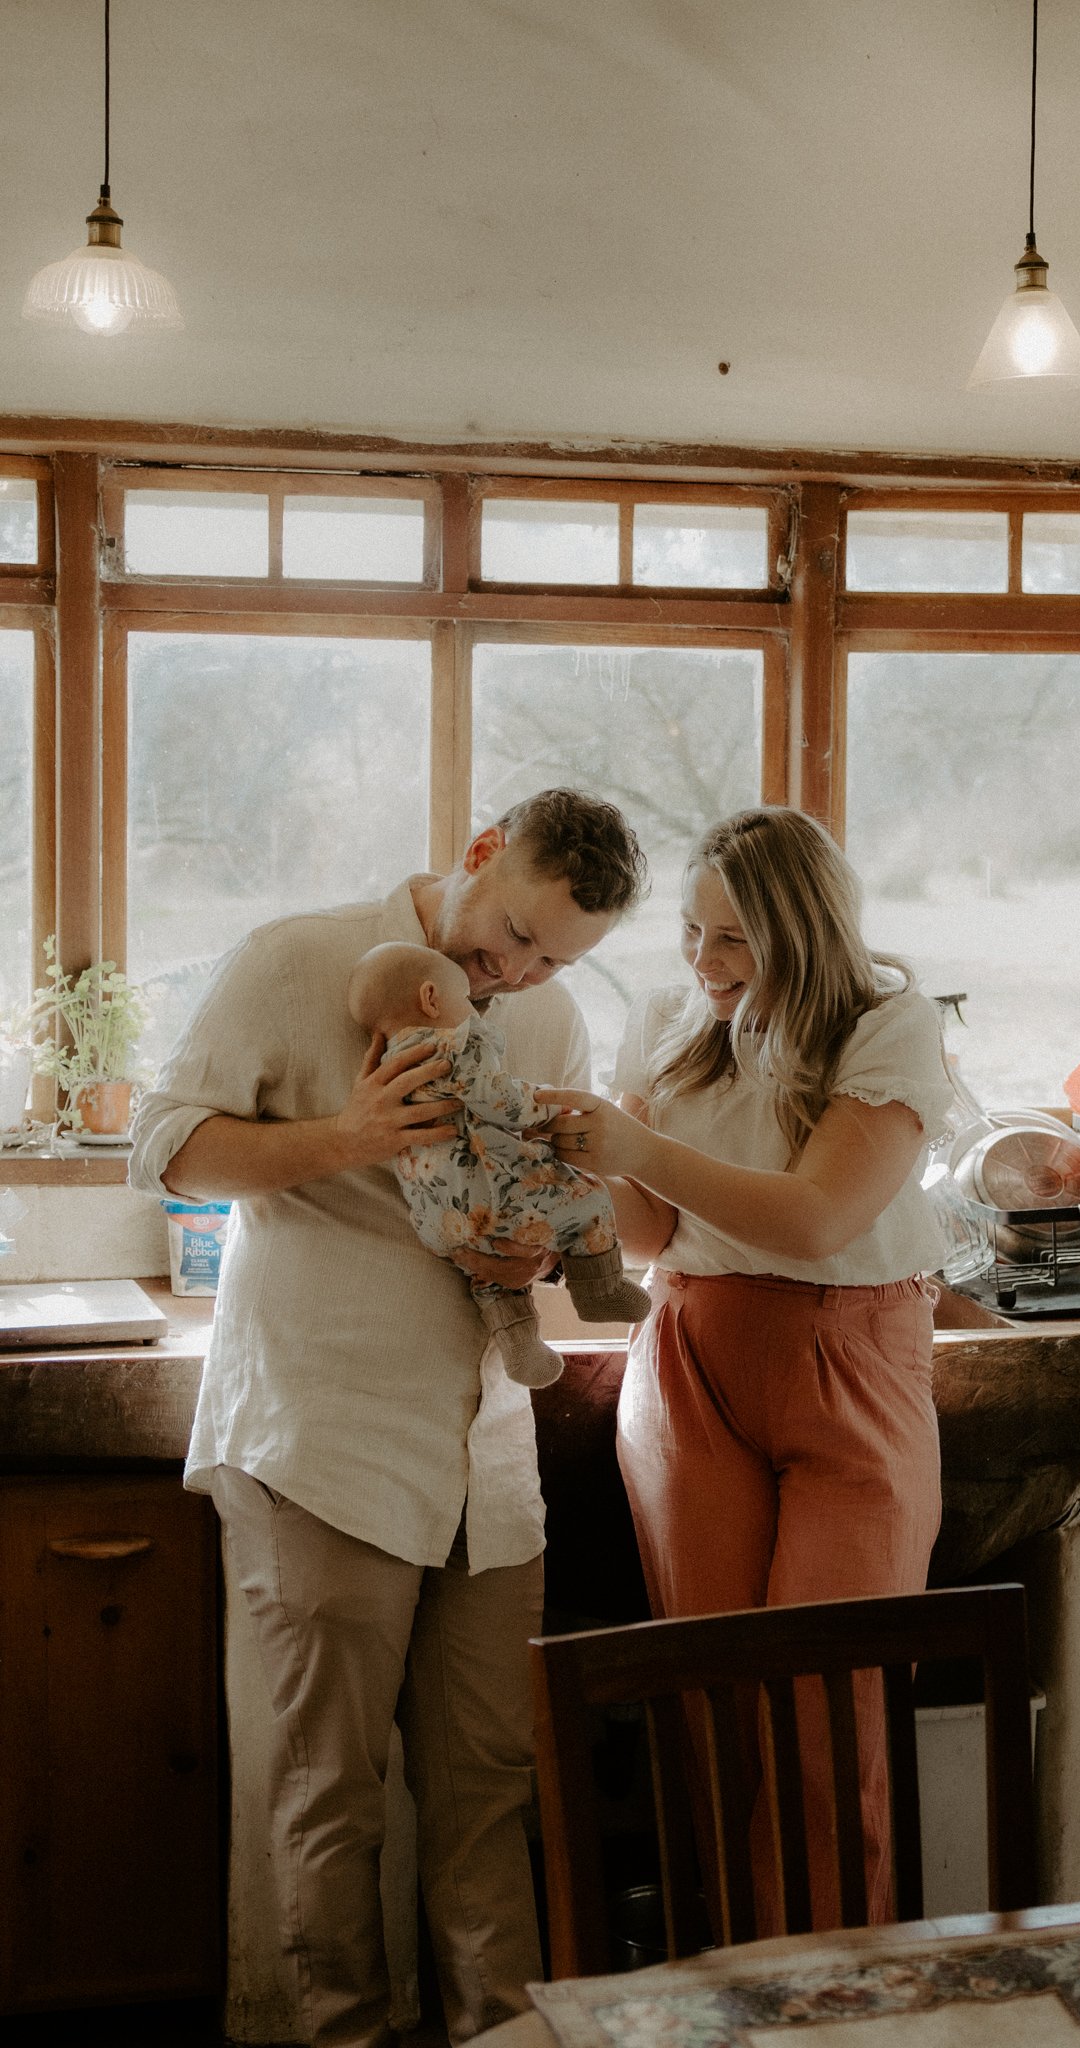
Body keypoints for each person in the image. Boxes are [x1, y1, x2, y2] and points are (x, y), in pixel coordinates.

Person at [128, 789, 648, 2048]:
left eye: (552, 957)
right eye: (514, 933)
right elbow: (163, 1148)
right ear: (479, 853)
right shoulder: (298, 957)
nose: (517, 971)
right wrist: (346, 1135)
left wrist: (531, 1249)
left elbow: (554, 1182)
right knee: (334, 1795)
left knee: (490, 1797)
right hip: (321, 1434)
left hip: (485, 1459)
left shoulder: (550, 1014)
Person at [537, 805, 954, 1932]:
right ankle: (725, 1995)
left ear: (806, 930)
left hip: (850, 1352)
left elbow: (820, 1217)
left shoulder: (888, 1023)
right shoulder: (677, 1023)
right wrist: (560, 1167)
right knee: (711, 1709)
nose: (703, 962)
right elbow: (649, 1229)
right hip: (686, 1357)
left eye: (734, 939)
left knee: (826, 1719)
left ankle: (827, 1998)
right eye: (689, 930)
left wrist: (643, 1149)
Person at [346, 940, 651, 1389]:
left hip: (440, 1222)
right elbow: (496, 1098)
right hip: (490, 1188)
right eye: (465, 999)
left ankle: (519, 1342)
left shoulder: (385, 1071)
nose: (473, 1008)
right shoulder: (452, 1047)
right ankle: (599, 1289)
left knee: (489, 1270)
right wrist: (546, 1107)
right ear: (432, 999)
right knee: (588, 1196)